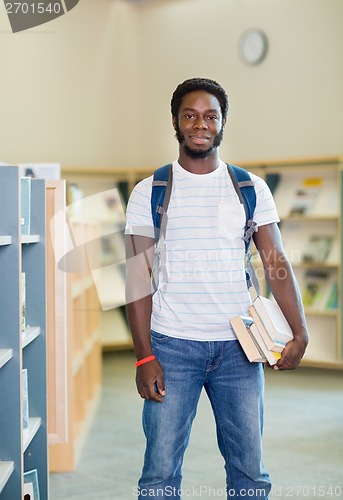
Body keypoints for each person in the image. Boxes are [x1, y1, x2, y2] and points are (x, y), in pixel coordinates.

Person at [125, 77, 309, 500]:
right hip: (171, 347)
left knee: (249, 472)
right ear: (175, 121)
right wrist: (144, 356)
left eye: (210, 115)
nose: (200, 124)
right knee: (159, 474)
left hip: (239, 350)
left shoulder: (249, 188)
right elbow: (137, 278)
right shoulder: (149, 191)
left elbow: (275, 262)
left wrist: (300, 331)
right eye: (190, 115)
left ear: (223, 122)